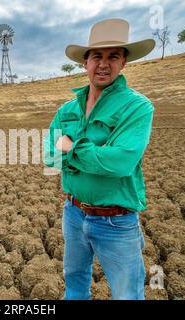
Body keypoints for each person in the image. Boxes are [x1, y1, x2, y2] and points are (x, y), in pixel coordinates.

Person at [44, 18, 156, 300]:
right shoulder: (68, 109)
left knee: (126, 294)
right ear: (85, 62)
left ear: (124, 63)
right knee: (75, 284)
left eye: (113, 56)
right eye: (97, 56)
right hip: (73, 212)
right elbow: (49, 157)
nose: (103, 64)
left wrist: (71, 148)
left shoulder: (137, 107)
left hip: (116, 222)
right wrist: (95, 152)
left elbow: (120, 163)